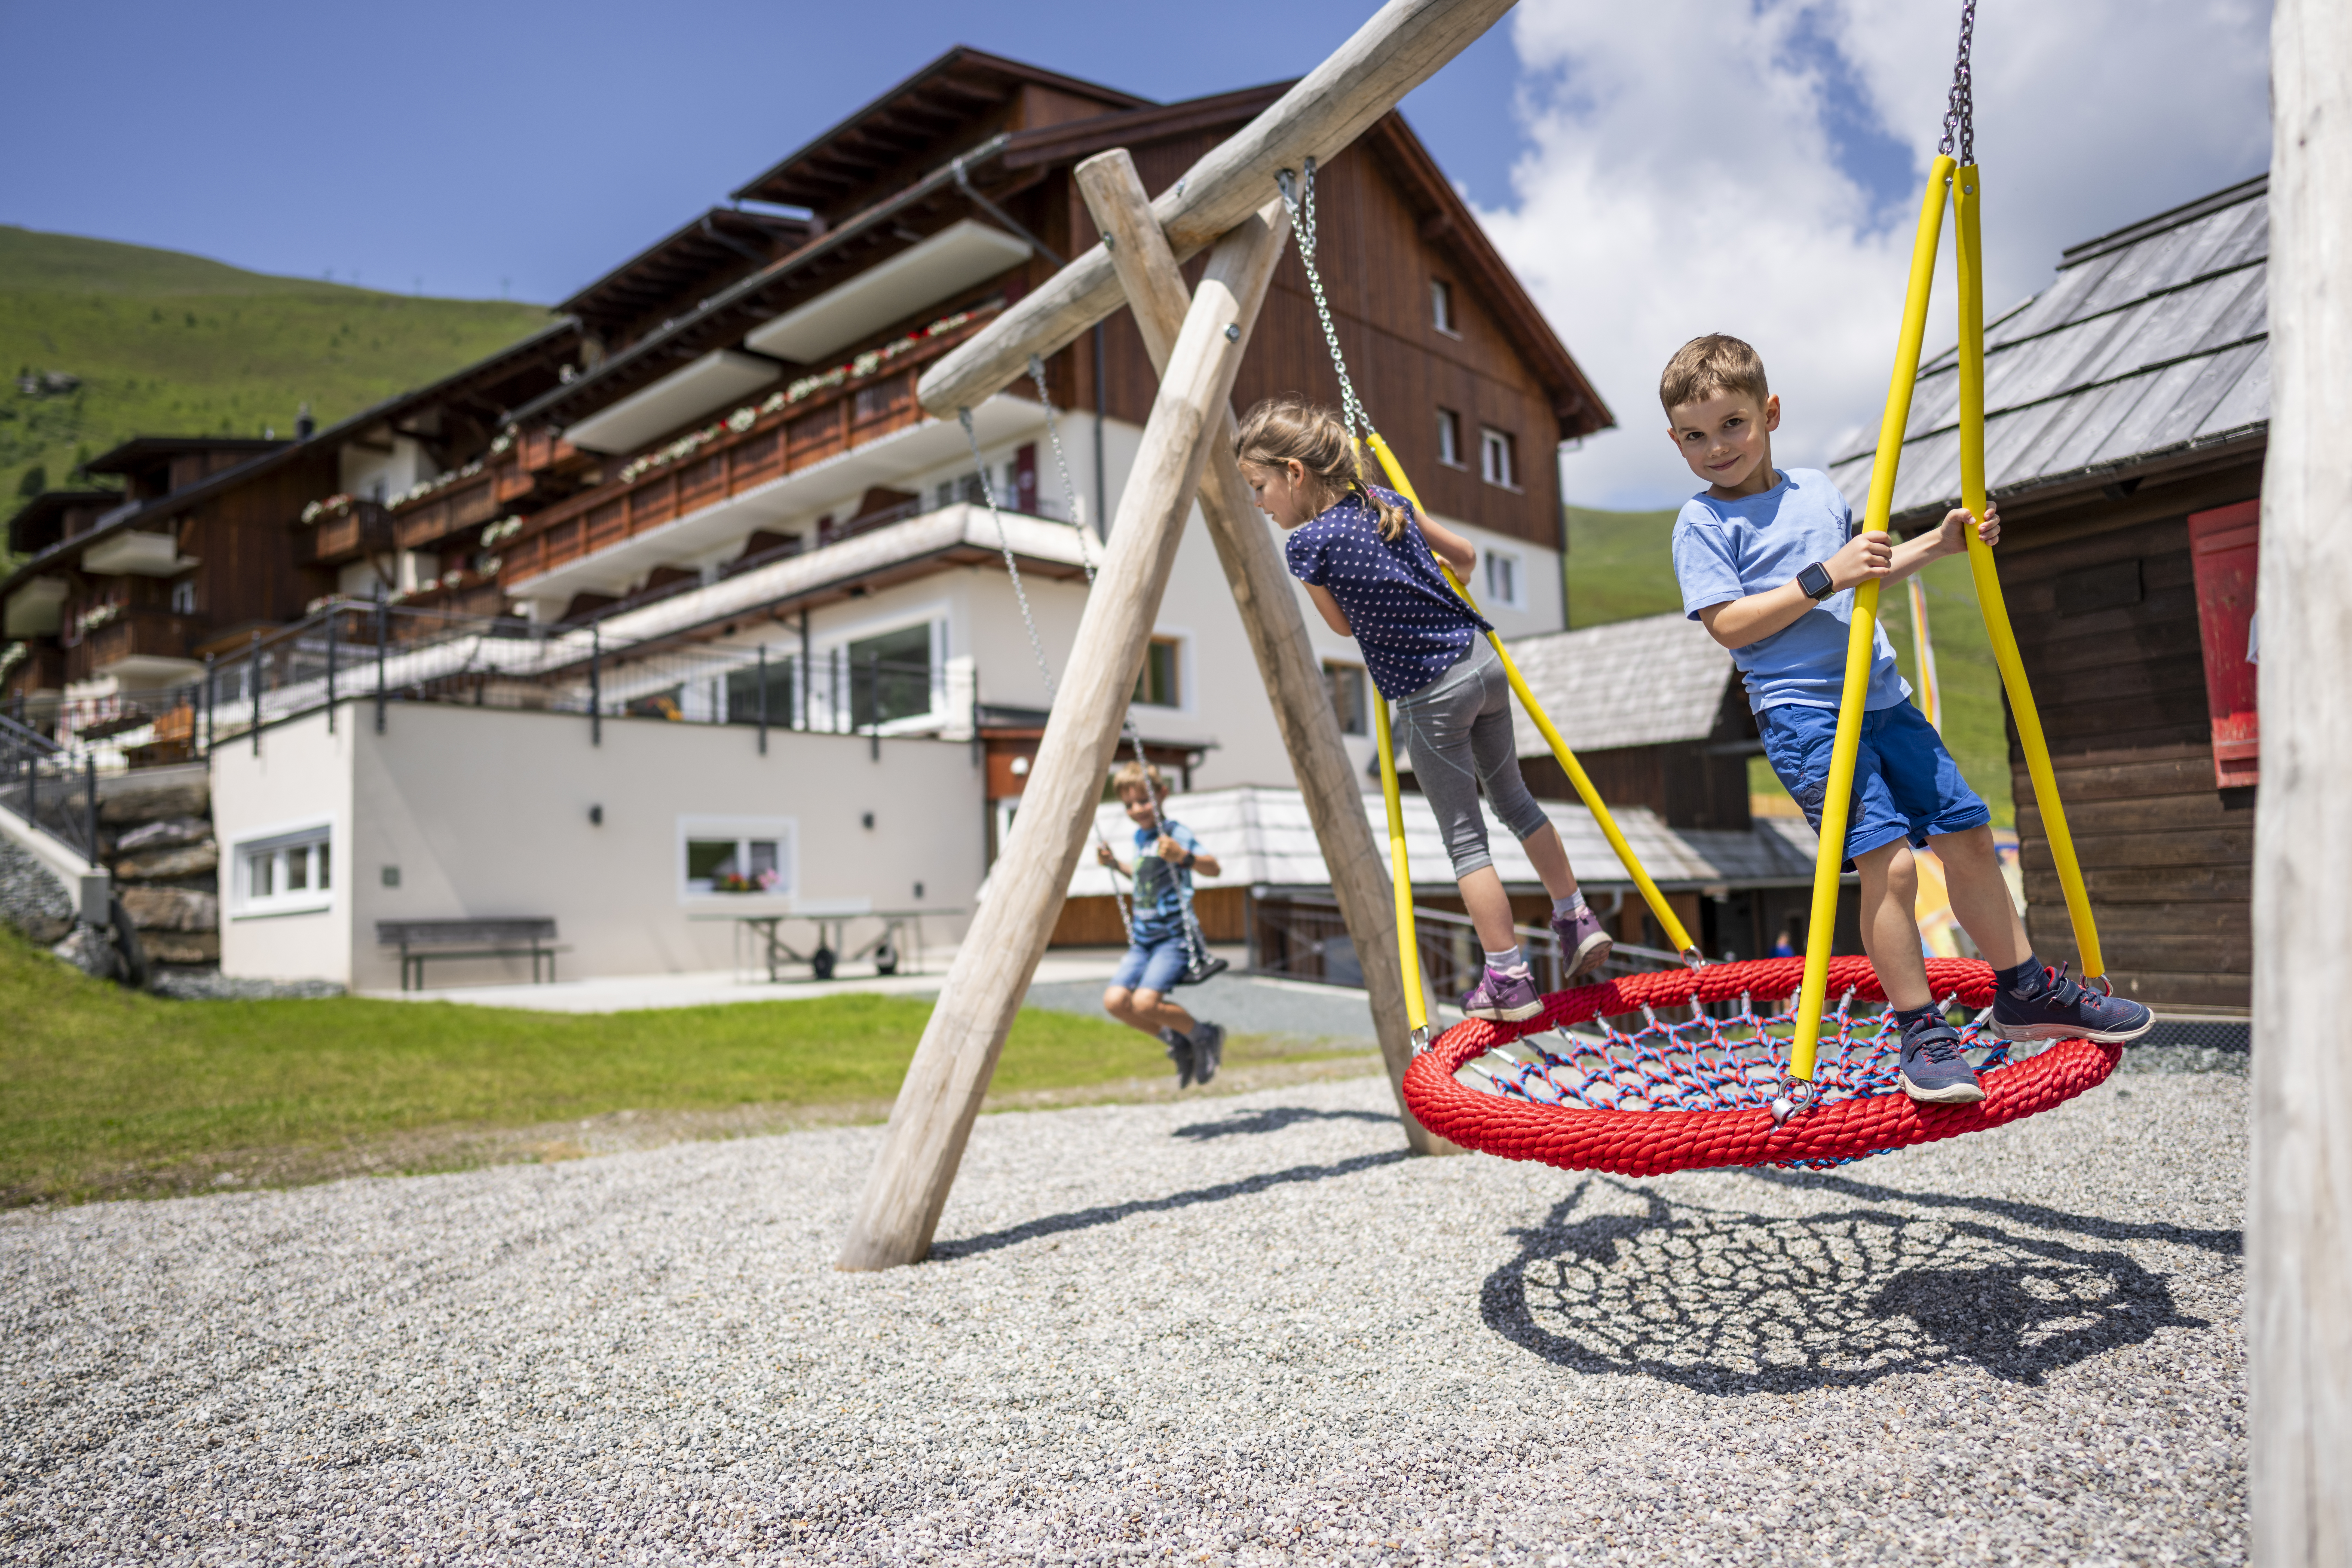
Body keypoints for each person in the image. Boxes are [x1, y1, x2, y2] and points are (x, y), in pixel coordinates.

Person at [1661, 333, 2151, 1103]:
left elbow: (1868, 575)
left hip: (1884, 699)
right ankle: (1921, 1027)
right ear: (1675, 441)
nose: (1716, 447)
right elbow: (1730, 624)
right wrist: (1825, 574)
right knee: (1886, 865)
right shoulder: (1703, 524)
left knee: (1967, 837)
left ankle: (2022, 988)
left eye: (1732, 424)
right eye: (1695, 435)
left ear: (1772, 413)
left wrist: (1939, 543)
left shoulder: (1818, 492)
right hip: (1806, 715)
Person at [1235, 396, 1612, 1024]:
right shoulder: (1390, 503)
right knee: (1516, 800)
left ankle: (1508, 975)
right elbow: (1463, 557)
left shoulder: (1307, 545)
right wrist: (1425, 573)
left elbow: (1341, 628)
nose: (1258, 502)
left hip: (1429, 694)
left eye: (1259, 486)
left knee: (1466, 840)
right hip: (1481, 661)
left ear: (1295, 474)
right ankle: (1575, 914)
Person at [1097, 761, 1227, 1086]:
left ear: (1162, 795)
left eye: (1143, 801)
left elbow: (1214, 868)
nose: (1137, 809)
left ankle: (1204, 1035)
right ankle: (1177, 1041)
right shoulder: (1140, 837)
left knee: (1145, 1002)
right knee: (1115, 1002)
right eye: (1129, 805)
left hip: (1173, 938)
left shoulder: (1175, 833)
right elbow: (1146, 880)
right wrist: (1115, 865)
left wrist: (1184, 857)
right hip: (1144, 940)